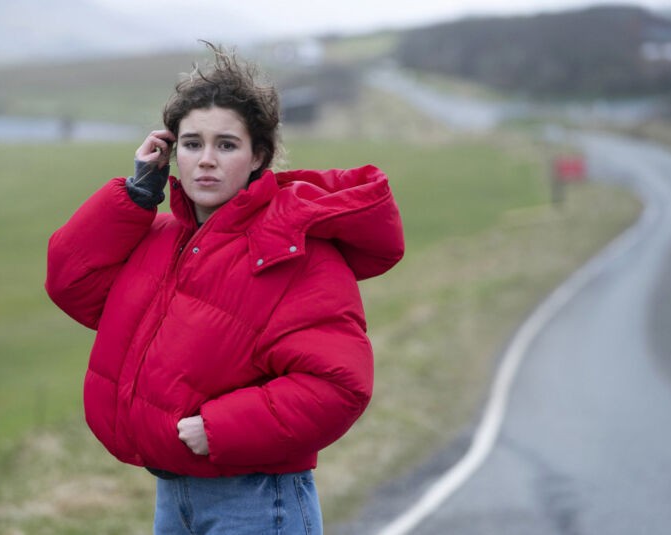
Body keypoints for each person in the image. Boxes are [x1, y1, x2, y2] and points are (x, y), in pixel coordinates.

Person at [45, 42, 404, 534]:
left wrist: (220, 429)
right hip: (174, 495)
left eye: (227, 145)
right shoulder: (163, 238)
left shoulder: (295, 248)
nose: (206, 160)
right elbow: (72, 284)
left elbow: (339, 384)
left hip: (257, 500)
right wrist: (135, 196)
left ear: (259, 155)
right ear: (172, 152)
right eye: (192, 144)